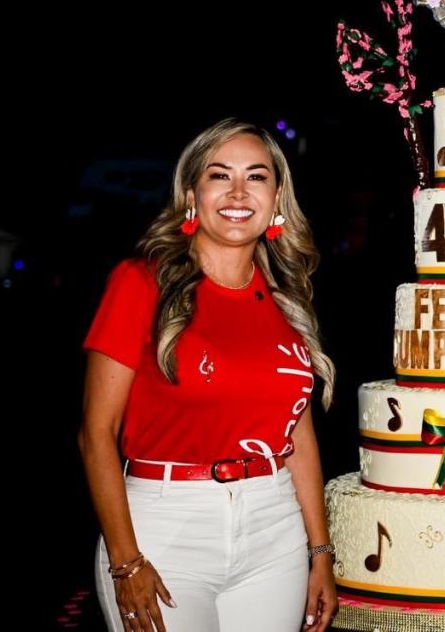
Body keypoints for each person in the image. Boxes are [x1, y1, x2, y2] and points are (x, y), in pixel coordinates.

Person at [79, 118, 338, 631]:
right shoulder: (140, 282)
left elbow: (297, 436)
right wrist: (126, 560)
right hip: (165, 526)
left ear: (278, 195)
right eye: (220, 176)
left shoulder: (287, 297)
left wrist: (320, 551)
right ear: (192, 192)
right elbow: (95, 435)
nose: (239, 192)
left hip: (275, 527)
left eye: (257, 177)